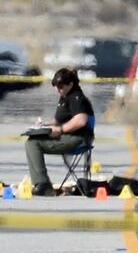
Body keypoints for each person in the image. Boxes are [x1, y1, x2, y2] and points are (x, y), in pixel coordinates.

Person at [25, 67, 94, 196]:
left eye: (61, 86)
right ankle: (41, 182)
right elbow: (59, 120)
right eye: (56, 86)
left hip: (76, 138)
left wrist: (61, 129)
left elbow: (81, 120)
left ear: (70, 84)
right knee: (32, 140)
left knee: (33, 144)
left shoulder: (76, 97)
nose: (58, 89)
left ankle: (43, 185)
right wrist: (44, 125)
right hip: (68, 135)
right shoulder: (65, 96)